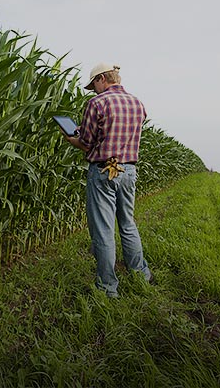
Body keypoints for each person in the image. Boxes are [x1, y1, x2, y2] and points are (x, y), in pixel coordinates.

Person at [62, 62, 152, 298]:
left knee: (103, 230)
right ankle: (141, 274)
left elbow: (86, 142)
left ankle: (107, 287)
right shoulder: (137, 104)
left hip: (103, 171)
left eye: (94, 85)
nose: (94, 90)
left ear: (102, 78)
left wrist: (70, 138)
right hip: (128, 171)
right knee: (128, 223)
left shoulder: (97, 103)